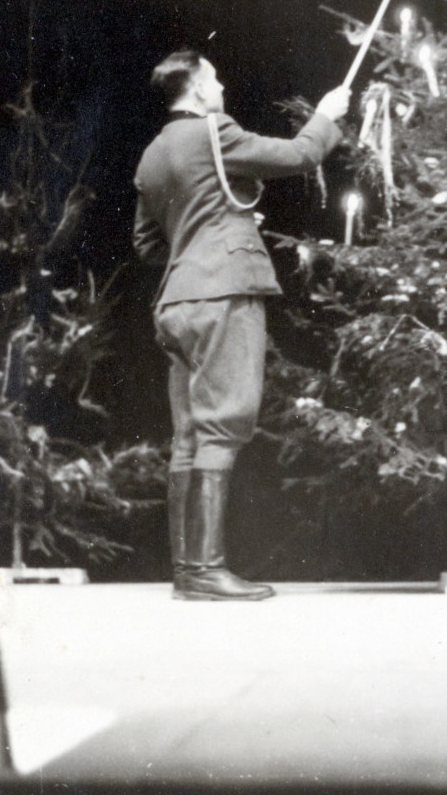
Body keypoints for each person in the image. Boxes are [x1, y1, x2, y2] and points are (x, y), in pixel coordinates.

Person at [133, 51, 349, 601]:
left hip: (177, 303)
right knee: (224, 423)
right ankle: (206, 571)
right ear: (200, 89)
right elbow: (300, 154)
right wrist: (327, 114)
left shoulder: (154, 154)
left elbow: (148, 245)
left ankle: (189, 572)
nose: (223, 85)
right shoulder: (213, 129)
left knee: (190, 436)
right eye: (216, 77)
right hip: (222, 294)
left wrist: (216, 226)